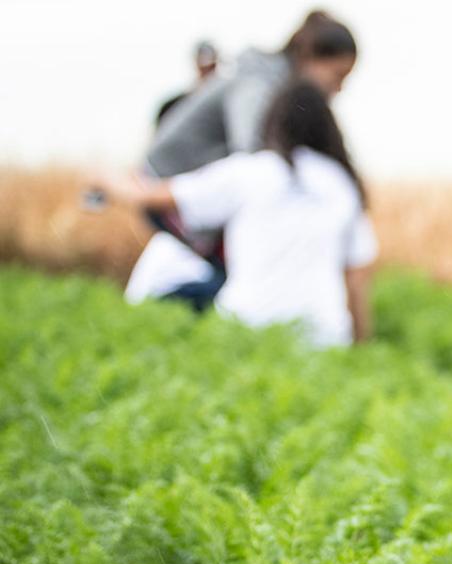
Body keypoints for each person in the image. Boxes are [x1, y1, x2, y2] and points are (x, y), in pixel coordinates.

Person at [97, 79, 378, 348]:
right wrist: (361, 345)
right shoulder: (341, 184)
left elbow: (157, 197)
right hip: (322, 338)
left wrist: (106, 181)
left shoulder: (250, 171)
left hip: (246, 329)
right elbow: (356, 278)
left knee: (178, 298)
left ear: (272, 123)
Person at [140, 11, 360, 309]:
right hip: (164, 185)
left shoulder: (275, 83)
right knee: (243, 271)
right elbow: (251, 152)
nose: (338, 88)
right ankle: (167, 312)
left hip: (185, 185)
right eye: (337, 76)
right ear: (310, 58)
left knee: (248, 270)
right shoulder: (257, 83)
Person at [156, 41, 220, 127]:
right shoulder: (173, 106)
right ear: (196, 65)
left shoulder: (225, 105)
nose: (207, 72)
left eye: (211, 67)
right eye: (203, 67)